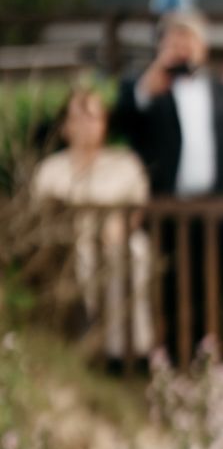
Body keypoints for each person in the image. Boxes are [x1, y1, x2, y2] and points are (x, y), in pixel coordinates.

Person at [32, 87, 153, 363]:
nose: (86, 125)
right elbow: (42, 218)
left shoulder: (124, 163)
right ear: (65, 126)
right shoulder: (50, 170)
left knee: (136, 252)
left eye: (93, 117)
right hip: (69, 246)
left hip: (116, 240)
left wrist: (120, 228)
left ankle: (126, 350)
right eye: (78, 118)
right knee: (80, 263)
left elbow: (137, 206)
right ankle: (85, 346)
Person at [109, 10, 223, 200]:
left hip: (217, 206)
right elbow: (121, 127)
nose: (182, 48)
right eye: (174, 41)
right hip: (163, 205)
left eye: (188, 39)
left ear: (203, 46)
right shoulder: (145, 89)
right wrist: (145, 91)